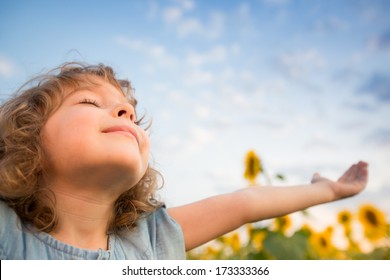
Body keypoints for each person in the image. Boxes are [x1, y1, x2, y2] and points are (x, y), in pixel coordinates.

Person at [0, 62, 368, 260]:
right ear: (26, 137)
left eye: (128, 113)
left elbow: (245, 204)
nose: (125, 112)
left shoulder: (151, 239)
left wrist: (329, 191)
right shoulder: (10, 238)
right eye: (90, 102)